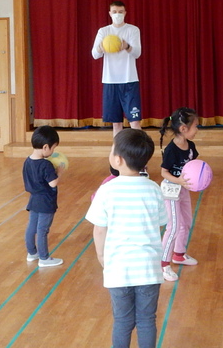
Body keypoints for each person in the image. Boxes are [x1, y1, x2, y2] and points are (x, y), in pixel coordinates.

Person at [86, 129, 166, 348]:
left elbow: (99, 229)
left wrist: (102, 256)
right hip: (148, 268)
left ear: (117, 159)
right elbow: (160, 222)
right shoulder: (153, 189)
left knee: (122, 321)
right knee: (147, 320)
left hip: (118, 267)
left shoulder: (107, 190)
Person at [158, 107, 200, 282]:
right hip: (171, 189)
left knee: (186, 222)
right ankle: (163, 265)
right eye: (196, 126)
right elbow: (164, 173)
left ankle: (179, 254)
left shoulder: (190, 146)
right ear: (184, 129)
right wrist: (179, 181)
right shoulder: (171, 150)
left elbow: (193, 166)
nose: (197, 129)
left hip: (183, 188)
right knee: (173, 226)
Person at [91, 0, 142, 136]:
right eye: (114, 12)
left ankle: (140, 154)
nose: (117, 14)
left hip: (129, 80)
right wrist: (101, 47)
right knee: (116, 124)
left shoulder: (133, 30)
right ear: (110, 13)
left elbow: (137, 53)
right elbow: (94, 55)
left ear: (125, 13)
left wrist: (127, 47)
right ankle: (117, 155)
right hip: (110, 81)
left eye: (120, 12)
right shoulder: (103, 31)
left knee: (135, 122)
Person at [23, 126, 64, 268]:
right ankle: (44, 258)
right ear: (45, 147)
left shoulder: (27, 161)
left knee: (32, 227)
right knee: (42, 230)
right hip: (46, 202)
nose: (52, 152)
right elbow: (53, 183)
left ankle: (31, 253)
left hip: (33, 200)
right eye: (53, 148)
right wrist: (59, 172)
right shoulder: (46, 165)